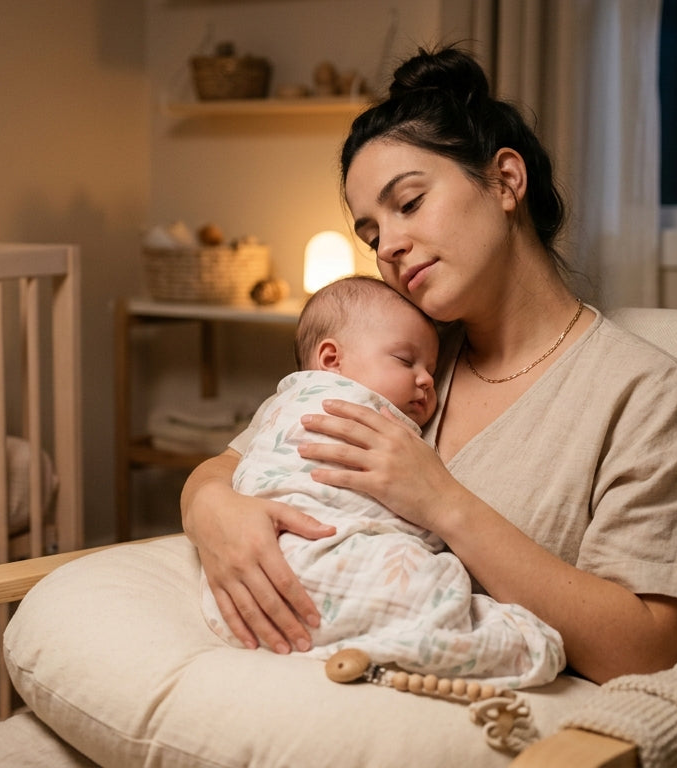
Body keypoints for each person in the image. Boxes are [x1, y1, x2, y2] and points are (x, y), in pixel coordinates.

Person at [182, 45, 677, 685]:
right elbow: (229, 465)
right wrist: (211, 511)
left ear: (506, 180)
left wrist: (441, 500)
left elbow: (642, 651)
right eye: (371, 234)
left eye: (410, 203)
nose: (388, 245)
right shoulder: (398, 356)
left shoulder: (641, 395)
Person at [199, 275, 564, 688]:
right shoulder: (311, 404)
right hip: (273, 558)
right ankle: (507, 645)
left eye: (430, 367)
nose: (427, 379)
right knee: (424, 587)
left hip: (242, 604)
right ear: (332, 361)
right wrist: (209, 501)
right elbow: (238, 467)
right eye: (406, 361)